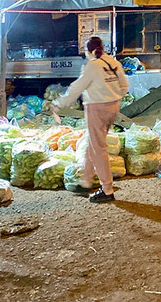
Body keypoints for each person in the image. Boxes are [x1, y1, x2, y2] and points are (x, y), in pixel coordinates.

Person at [53, 37, 128, 203]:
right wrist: (114, 96)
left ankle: (107, 189)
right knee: (93, 142)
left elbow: (76, 88)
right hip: (113, 107)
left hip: (97, 108)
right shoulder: (113, 62)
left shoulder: (93, 66)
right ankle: (86, 181)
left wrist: (60, 103)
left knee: (98, 147)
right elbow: (124, 85)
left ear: (89, 51)